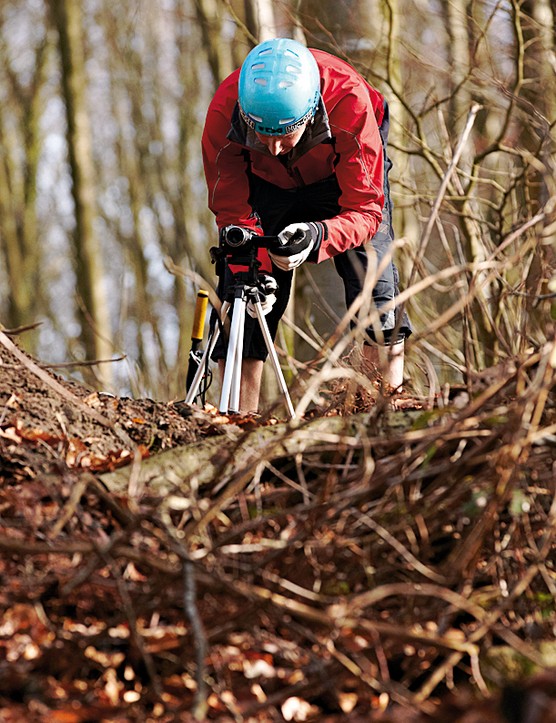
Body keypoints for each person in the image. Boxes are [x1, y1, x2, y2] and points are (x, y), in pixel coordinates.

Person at [201, 37, 412, 412]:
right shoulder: (223, 113)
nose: (274, 148)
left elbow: (365, 209)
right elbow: (231, 209)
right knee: (244, 297)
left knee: (376, 293)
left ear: (311, 111)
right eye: (260, 134)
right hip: (263, 186)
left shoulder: (350, 104)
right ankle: (235, 422)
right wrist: (255, 266)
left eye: (283, 135)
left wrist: (318, 237)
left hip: (338, 177)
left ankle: (377, 417)